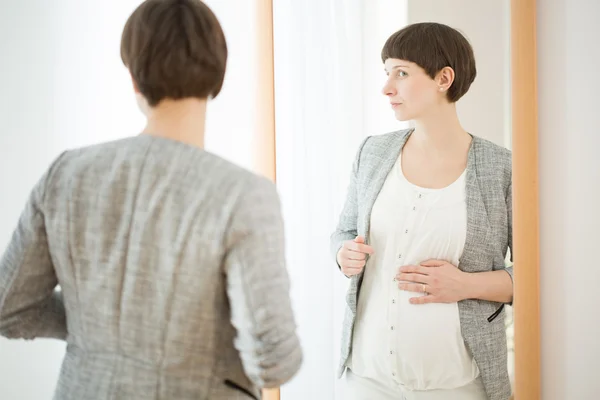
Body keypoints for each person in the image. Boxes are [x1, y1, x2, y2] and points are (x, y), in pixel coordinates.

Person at [0, 1, 302, 399]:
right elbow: (274, 359)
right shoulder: (243, 195)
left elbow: (10, 306)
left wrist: (100, 322)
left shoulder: (65, 174)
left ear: (134, 78)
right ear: (219, 74)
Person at [331, 22, 513, 400]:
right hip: (365, 379)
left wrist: (466, 285)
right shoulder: (373, 152)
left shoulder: (502, 168)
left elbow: (540, 278)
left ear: (444, 78)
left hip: (456, 385)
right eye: (386, 73)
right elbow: (345, 230)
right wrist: (342, 253)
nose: (387, 88)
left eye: (402, 72)